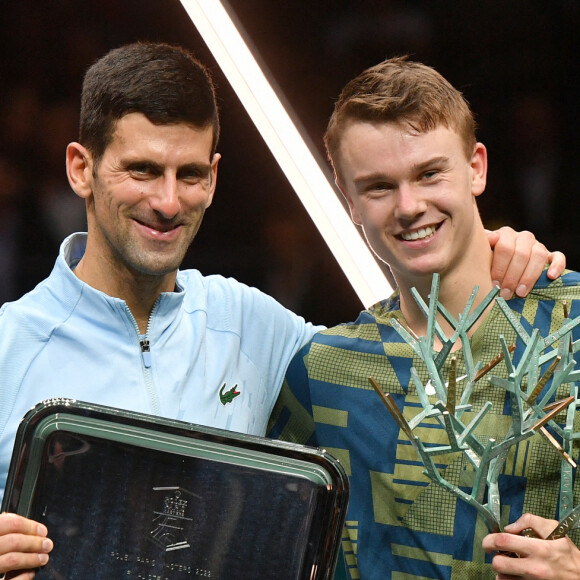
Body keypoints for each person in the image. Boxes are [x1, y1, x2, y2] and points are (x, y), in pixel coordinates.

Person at [0, 42, 566, 577]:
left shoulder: (260, 329)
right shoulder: (8, 347)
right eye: (142, 170)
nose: (167, 201)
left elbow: (409, 351)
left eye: (189, 174)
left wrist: (496, 253)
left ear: (213, 178)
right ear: (81, 169)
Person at [270, 56, 580, 579]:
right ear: (349, 202)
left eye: (429, 173)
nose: (409, 205)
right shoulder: (323, 373)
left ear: (476, 167)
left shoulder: (570, 322)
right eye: (378, 187)